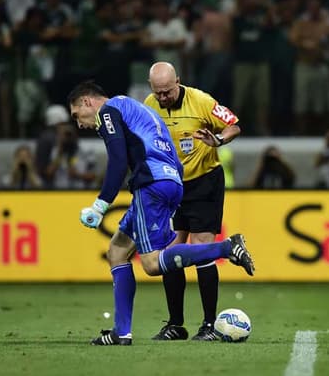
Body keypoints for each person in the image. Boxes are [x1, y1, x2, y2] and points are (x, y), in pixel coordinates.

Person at [67, 81, 254, 346]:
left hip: (152, 185)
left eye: (77, 115)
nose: (79, 124)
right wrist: (171, 186)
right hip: (171, 182)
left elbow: (119, 162)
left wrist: (100, 205)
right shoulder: (139, 108)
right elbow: (171, 152)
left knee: (153, 264)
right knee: (117, 251)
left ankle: (226, 248)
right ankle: (122, 331)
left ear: (87, 102)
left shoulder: (108, 111)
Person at [144, 62, 241, 341]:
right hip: (171, 186)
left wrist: (219, 140)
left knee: (202, 247)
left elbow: (234, 125)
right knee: (169, 252)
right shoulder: (148, 105)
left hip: (204, 182)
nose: (163, 98)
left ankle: (209, 325)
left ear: (179, 82)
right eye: (158, 93)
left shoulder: (201, 101)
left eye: (167, 92)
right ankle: (176, 324)